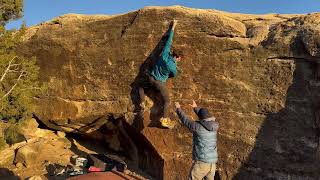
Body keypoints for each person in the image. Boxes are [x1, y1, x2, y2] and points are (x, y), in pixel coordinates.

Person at [138, 20, 183, 128]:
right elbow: (174, 74)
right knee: (167, 101)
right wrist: (174, 68)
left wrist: (173, 26)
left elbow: (169, 41)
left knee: (140, 86)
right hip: (159, 84)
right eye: (180, 59)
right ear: (177, 57)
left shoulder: (165, 53)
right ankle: (165, 120)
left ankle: (143, 102)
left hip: (151, 78)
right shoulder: (172, 66)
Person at [175, 100, 219, 180]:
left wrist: (178, 109)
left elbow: (186, 121)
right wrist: (195, 108)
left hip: (202, 163)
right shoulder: (214, 126)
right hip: (212, 164)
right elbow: (204, 117)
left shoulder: (198, 127)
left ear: (201, 118)